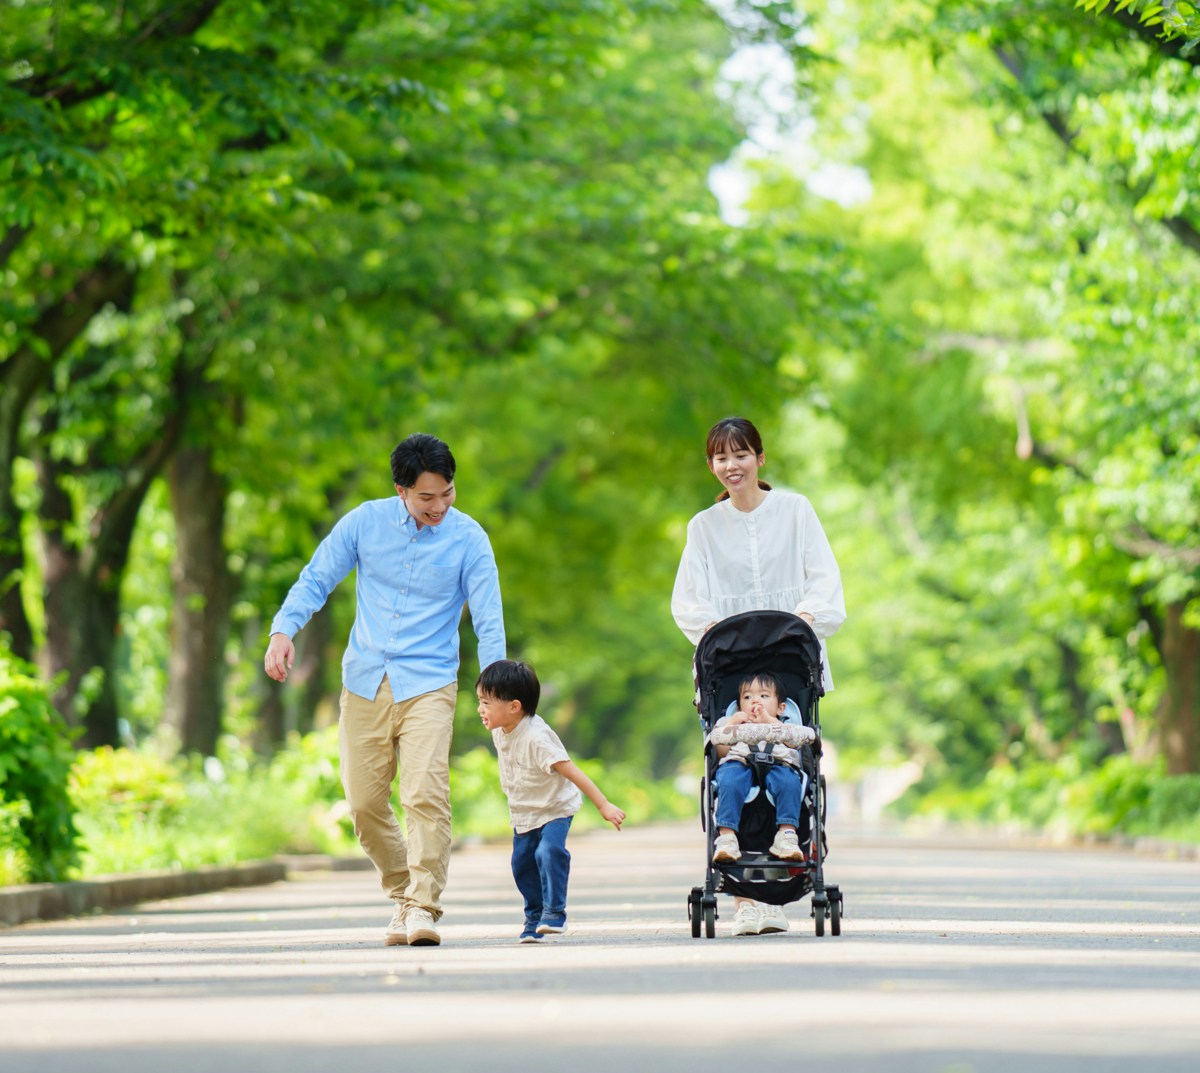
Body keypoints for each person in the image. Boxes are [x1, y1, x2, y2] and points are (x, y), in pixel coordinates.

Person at [264, 433, 505, 948]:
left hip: (430, 683)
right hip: (365, 681)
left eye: (447, 493)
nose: (439, 506)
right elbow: (316, 579)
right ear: (401, 490)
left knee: (424, 794)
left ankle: (423, 907)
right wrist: (284, 630)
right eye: (426, 497)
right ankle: (404, 893)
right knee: (364, 803)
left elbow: (489, 620)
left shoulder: (469, 539)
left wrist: (497, 689)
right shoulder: (363, 523)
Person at [671, 415, 845, 937]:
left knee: (786, 766)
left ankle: (786, 876)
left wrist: (805, 622)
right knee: (735, 769)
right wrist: (715, 631)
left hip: (789, 659)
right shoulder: (702, 527)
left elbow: (823, 578)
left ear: (760, 458)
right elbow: (689, 601)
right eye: (722, 458)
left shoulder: (795, 511)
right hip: (729, 665)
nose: (732, 466)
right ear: (711, 465)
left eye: (741, 455)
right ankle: (748, 899)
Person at [476, 658, 626, 944]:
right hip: (524, 812)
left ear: (514, 707)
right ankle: (534, 917)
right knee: (521, 864)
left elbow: (572, 771)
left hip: (556, 808)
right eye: (480, 701)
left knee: (548, 851)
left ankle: (554, 912)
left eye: (486, 703)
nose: (479, 710)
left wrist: (603, 805)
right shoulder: (499, 730)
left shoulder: (537, 738)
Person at [710, 672, 815, 864]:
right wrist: (733, 723)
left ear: (781, 708)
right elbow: (722, 751)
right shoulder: (731, 724)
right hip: (740, 761)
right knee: (729, 778)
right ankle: (726, 837)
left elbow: (795, 744)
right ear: (739, 706)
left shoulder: (783, 725)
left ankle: (786, 835)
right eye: (747, 697)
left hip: (779, 763)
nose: (755, 701)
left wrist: (769, 721)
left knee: (789, 781)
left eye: (764, 696)